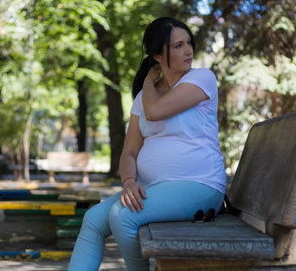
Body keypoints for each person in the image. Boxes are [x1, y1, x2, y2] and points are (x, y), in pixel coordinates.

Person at [68, 17, 226, 271]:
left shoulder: (202, 79)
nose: (188, 51)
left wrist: (148, 81)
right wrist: (129, 181)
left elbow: (154, 112)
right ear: (157, 55)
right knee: (94, 219)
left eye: (188, 43)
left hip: (202, 185)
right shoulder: (144, 97)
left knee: (124, 216)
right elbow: (129, 152)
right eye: (177, 46)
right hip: (155, 189)